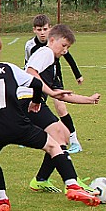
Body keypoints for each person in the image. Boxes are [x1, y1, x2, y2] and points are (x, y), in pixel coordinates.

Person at [0, 29, 100, 211]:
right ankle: (72, 185)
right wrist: (35, 102)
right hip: (18, 125)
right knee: (54, 146)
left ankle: (3, 202)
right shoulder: (7, 68)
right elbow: (36, 83)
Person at [20, 24, 100, 193]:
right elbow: (30, 72)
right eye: (63, 45)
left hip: (33, 101)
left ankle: (41, 180)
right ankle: (73, 183)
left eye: (68, 48)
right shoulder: (46, 53)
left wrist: (89, 100)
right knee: (59, 134)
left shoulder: (53, 64)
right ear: (52, 40)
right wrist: (48, 92)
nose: (65, 51)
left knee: (61, 136)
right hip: (26, 101)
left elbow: (61, 94)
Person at [25, 14, 84, 154]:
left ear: (50, 30)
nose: (42, 32)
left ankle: (74, 140)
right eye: (39, 30)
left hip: (54, 77)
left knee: (60, 107)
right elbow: (29, 65)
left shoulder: (56, 43)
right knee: (35, 108)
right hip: (38, 79)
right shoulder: (30, 45)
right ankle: (31, 136)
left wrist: (78, 75)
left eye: (45, 29)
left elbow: (68, 57)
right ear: (34, 30)